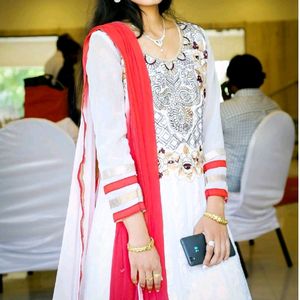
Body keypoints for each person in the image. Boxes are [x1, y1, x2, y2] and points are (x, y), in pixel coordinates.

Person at [53, 1, 251, 299]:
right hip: (135, 211)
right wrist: (139, 240)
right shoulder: (107, 43)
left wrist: (215, 213)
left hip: (199, 207)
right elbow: (112, 149)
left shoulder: (197, 38)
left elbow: (212, 132)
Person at [221, 54, 280, 193]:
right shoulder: (275, 108)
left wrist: (227, 101)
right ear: (260, 79)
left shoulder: (223, 111)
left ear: (231, 82)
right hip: (268, 183)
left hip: (233, 186)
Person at [45, 34, 81, 124]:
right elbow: (67, 94)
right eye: (76, 54)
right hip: (62, 108)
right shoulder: (63, 66)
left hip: (53, 106)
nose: (77, 57)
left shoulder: (49, 61)